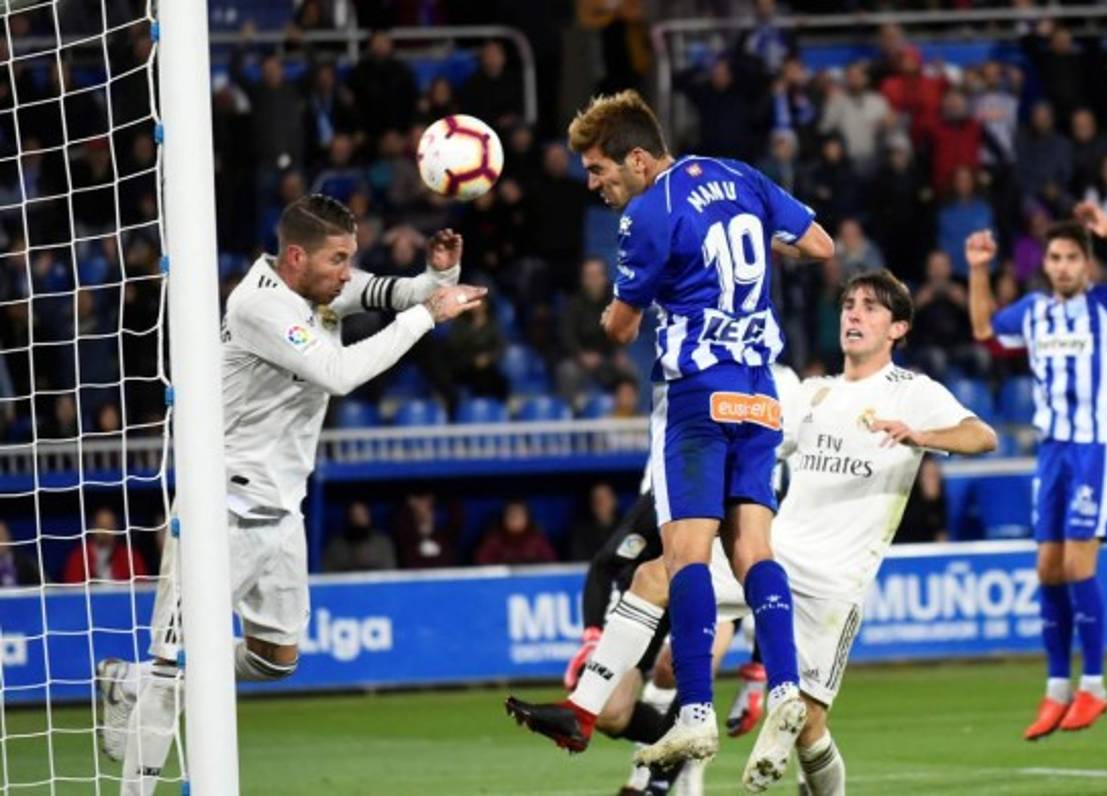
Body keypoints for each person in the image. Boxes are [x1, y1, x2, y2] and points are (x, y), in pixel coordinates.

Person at [509, 272, 996, 796]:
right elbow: (759, 449)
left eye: (871, 308)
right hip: (776, 556)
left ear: (897, 328)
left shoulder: (912, 392)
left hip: (835, 582)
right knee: (654, 576)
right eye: (849, 304)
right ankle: (582, 711)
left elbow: (982, 436)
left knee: (810, 730)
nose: (854, 314)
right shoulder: (813, 393)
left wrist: (921, 435)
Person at [94, 194, 486, 793]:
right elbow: (340, 373)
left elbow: (401, 292)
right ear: (297, 257)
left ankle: (131, 681)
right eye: (338, 259)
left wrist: (440, 275)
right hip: (221, 505)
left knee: (275, 659)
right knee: (175, 667)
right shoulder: (259, 305)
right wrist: (428, 314)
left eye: (350, 258)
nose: (347, 272)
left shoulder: (322, 289)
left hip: (280, 511)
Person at [547, 89, 834, 788]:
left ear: (638, 160)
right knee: (754, 550)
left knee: (686, 557)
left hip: (697, 398)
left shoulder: (649, 212)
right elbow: (820, 246)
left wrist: (624, 306)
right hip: (760, 394)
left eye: (599, 169)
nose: (595, 185)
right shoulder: (742, 176)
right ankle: (787, 688)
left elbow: (620, 327)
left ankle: (696, 711)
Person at [965, 200, 1107, 741]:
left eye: (1071, 258)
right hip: (1053, 450)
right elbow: (984, 327)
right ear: (1046, 264)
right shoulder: (1034, 311)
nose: (1061, 266)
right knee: (1048, 569)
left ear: (1088, 264)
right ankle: (1058, 687)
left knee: (1079, 563)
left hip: (1098, 447)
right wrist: (979, 270)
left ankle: (1095, 685)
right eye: (1055, 258)